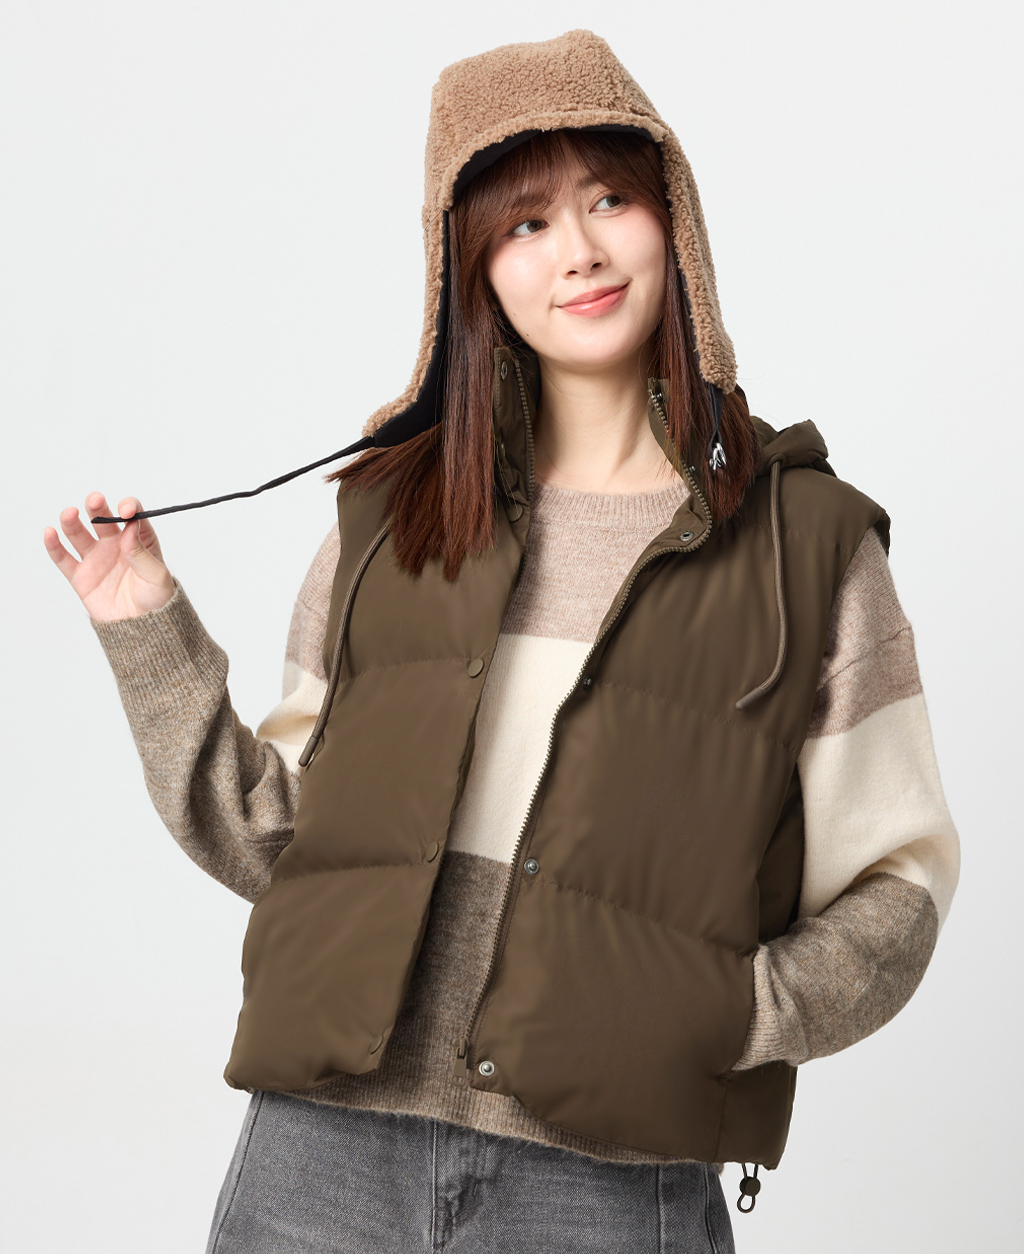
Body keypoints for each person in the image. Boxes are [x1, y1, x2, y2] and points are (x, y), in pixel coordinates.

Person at [42, 28, 960, 1254]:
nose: (577, 251)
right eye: (524, 224)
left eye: (609, 200)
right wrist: (145, 630)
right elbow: (284, 843)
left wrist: (726, 1015)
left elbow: (898, 883)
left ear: (673, 221)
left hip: (607, 1184)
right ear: (467, 269)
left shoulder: (809, 547)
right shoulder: (391, 521)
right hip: (320, 1155)